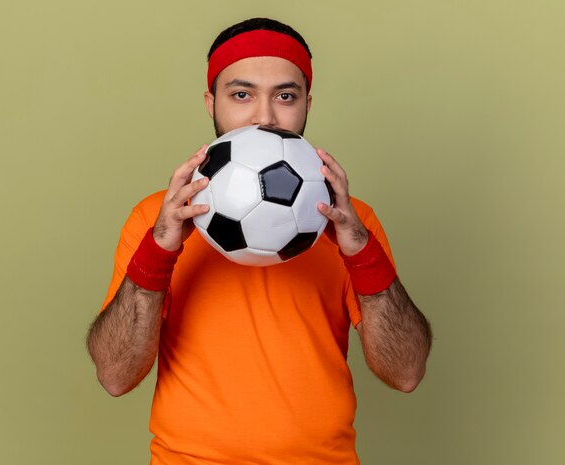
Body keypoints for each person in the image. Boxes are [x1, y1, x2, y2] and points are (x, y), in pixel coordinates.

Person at [87, 17, 432, 465]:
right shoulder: (155, 219)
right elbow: (115, 376)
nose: (264, 117)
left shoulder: (354, 221)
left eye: (285, 96)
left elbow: (406, 373)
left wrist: (361, 250)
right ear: (212, 103)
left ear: (308, 103)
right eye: (242, 94)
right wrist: (160, 248)